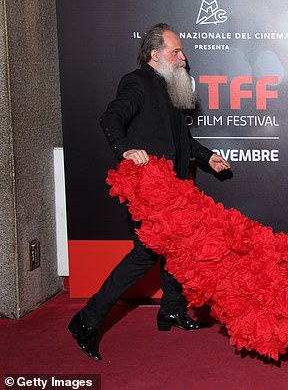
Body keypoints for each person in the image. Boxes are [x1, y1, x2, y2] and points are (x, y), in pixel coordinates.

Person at [67, 23, 231, 361]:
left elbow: (180, 139)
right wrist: (125, 149)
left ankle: (171, 309)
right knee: (145, 254)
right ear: (155, 56)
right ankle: (86, 320)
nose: (183, 57)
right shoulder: (137, 82)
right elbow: (110, 118)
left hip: (174, 189)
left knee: (174, 251)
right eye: (176, 51)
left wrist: (207, 156)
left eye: (182, 51)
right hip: (151, 191)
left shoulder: (171, 87)